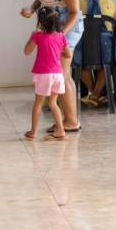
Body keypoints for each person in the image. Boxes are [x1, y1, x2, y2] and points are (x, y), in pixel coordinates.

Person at [21, 0, 83, 133]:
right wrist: (32, 9)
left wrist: (59, 37)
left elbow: (74, 12)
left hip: (65, 27)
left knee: (61, 75)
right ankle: (68, 120)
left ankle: (71, 122)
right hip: (52, 27)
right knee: (62, 75)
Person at [73, 0, 116, 107]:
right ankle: (97, 94)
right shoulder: (109, 2)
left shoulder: (75, 2)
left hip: (83, 48)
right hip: (106, 49)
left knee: (76, 61)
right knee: (106, 64)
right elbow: (114, 23)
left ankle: (93, 94)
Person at [23, 7, 70, 141]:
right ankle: (60, 130)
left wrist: (31, 36)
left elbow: (27, 51)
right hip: (57, 75)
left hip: (43, 74)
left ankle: (33, 132)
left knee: (38, 102)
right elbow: (68, 54)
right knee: (53, 103)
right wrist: (58, 52)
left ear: (40, 22)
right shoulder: (61, 36)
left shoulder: (37, 36)